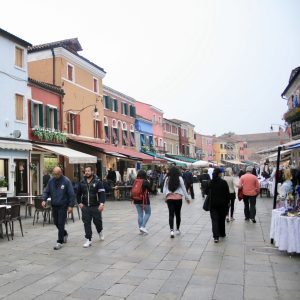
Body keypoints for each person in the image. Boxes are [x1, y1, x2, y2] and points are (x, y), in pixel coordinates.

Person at [42, 166, 75, 250]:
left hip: (63, 206)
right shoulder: (51, 180)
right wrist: (44, 199)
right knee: (56, 222)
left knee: (61, 223)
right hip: (54, 205)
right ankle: (64, 233)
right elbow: (46, 191)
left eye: (57, 174)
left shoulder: (66, 181)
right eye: (54, 174)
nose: (55, 175)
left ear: (60, 173)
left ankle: (59, 241)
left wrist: (70, 206)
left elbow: (71, 194)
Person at [77, 165, 106, 248]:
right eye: (86, 171)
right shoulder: (82, 182)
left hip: (95, 206)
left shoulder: (98, 182)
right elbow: (78, 194)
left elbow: (102, 194)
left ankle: (100, 231)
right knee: (86, 223)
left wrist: (101, 203)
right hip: (85, 207)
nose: (87, 172)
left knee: (97, 222)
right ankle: (88, 239)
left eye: (88, 171)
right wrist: (80, 203)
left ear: (92, 172)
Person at [163, 166, 191, 238]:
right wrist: (187, 198)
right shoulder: (180, 178)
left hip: (169, 198)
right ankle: (177, 229)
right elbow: (184, 188)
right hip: (178, 198)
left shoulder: (167, 178)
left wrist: (165, 197)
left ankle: (171, 231)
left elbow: (164, 189)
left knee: (171, 214)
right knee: (178, 214)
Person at [205, 168, 230, 243]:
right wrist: (228, 202)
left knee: (214, 220)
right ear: (219, 174)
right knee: (221, 219)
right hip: (223, 204)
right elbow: (227, 194)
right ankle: (222, 233)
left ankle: (216, 237)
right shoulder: (223, 182)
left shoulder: (210, 182)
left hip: (213, 204)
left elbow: (206, 192)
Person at [132, 170, 152, 234]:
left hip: (136, 199)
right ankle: (143, 226)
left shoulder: (135, 181)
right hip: (144, 200)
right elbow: (150, 190)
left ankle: (141, 230)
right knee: (148, 213)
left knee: (140, 214)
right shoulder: (145, 182)